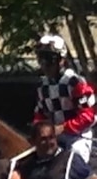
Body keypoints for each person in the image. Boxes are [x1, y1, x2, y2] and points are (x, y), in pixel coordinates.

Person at [33, 34, 95, 165]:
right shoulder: (42, 85)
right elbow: (40, 114)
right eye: (41, 59)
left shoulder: (75, 82)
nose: (45, 65)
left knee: (74, 158)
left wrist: (62, 128)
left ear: (61, 60)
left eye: (49, 59)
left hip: (78, 138)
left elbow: (87, 117)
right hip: (53, 139)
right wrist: (37, 128)